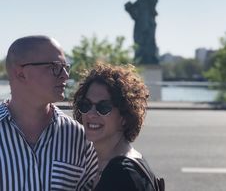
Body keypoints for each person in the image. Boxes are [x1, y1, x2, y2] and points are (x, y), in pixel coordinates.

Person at [0, 35, 98, 191]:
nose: (65, 75)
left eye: (66, 67)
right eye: (55, 66)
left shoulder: (77, 136)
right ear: (21, 73)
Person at [72, 62, 159, 190]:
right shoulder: (102, 165)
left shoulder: (123, 175)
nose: (91, 114)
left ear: (125, 115)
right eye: (86, 104)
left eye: (103, 107)